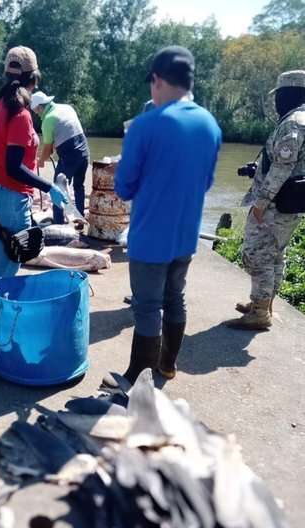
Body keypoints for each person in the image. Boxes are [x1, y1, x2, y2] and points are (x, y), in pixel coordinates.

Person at [110, 46, 222, 384]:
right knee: (175, 298)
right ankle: (167, 366)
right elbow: (207, 182)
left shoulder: (146, 125)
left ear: (157, 80)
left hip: (150, 237)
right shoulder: (210, 124)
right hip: (186, 234)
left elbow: (124, 187)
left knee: (146, 306)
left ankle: (136, 377)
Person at [0, 46, 67, 343]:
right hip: (9, 197)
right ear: (34, 79)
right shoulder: (19, 114)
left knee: (0, 264)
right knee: (8, 267)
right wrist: (49, 187)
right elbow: (13, 166)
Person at [225, 71, 305, 330]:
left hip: (275, 204)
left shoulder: (293, 122)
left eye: (279, 95)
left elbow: (284, 166)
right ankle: (264, 305)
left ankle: (259, 312)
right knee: (275, 255)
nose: (276, 101)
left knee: (257, 255)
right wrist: (257, 168)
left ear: (289, 94)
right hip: (291, 202)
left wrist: (261, 201)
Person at [31, 91, 89, 224]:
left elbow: (47, 150)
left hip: (70, 155)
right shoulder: (66, 107)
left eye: (36, 111)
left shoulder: (48, 119)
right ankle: (80, 219)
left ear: (40, 107)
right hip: (84, 151)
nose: (37, 114)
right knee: (79, 186)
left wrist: (40, 161)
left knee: (56, 188)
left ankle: (58, 222)